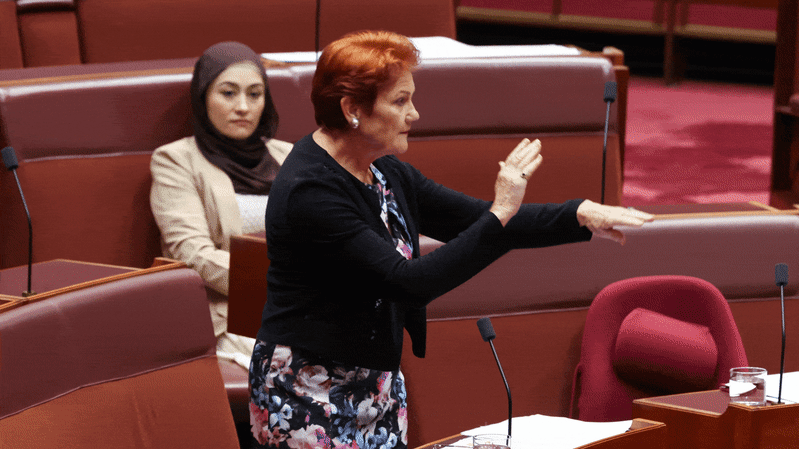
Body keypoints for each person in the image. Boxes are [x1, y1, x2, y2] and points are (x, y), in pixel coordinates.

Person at [248, 31, 653, 449]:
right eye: (400, 101)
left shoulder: (384, 170)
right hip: (307, 390)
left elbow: (478, 220)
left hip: (374, 383)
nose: (414, 114)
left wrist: (578, 214)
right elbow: (409, 281)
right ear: (353, 109)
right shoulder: (310, 190)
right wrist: (499, 213)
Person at [150, 42, 292, 369]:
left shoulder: (291, 156)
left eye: (255, 94)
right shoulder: (176, 160)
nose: (243, 106)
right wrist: (281, 282)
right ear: (203, 97)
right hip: (230, 310)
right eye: (228, 93)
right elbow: (189, 253)